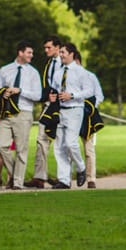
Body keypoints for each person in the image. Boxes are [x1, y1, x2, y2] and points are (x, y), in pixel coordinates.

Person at [0, 41, 42, 191]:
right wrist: (4, 92)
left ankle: (17, 183)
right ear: (20, 53)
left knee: (22, 148)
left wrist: (20, 91)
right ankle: (16, 174)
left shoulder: (33, 72)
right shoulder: (5, 70)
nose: (31, 56)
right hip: (6, 112)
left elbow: (38, 95)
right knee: (0, 145)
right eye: (29, 53)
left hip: (24, 112)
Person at [51, 41, 93, 190]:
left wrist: (72, 95)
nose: (60, 55)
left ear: (71, 54)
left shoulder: (81, 71)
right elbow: (54, 90)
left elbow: (89, 91)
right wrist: (53, 97)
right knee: (59, 146)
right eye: (60, 52)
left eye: (63, 52)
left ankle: (81, 168)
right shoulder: (57, 73)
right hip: (61, 110)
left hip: (75, 109)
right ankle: (64, 180)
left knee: (71, 143)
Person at [30, 35, 66, 186]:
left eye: (49, 47)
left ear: (57, 47)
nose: (46, 50)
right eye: (45, 48)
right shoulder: (49, 63)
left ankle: (63, 176)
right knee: (41, 139)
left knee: (62, 141)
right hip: (48, 105)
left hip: (62, 106)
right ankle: (40, 177)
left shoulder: (65, 63)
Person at [71, 45, 104, 188]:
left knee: (89, 148)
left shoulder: (90, 77)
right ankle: (68, 178)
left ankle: (91, 178)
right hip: (71, 114)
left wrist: (90, 107)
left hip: (87, 116)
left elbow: (99, 95)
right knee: (69, 147)